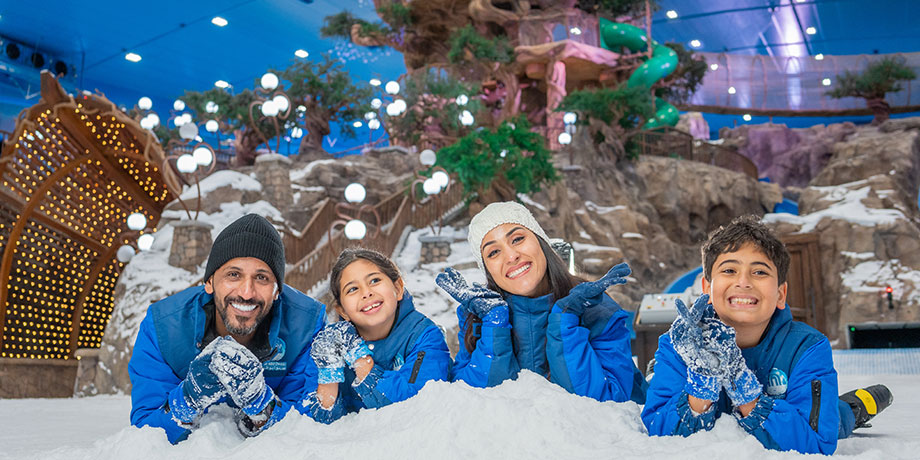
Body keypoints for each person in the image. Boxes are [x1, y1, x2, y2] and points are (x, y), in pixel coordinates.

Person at [641, 215, 892, 454]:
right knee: (664, 386)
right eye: (729, 270)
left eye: (760, 272)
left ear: (781, 294)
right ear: (707, 288)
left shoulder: (806, 347)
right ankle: (657, 374)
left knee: (836, 419)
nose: (743, 282)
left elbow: (816, 441)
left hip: (804, 411)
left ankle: (853, 407)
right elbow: (657, 429)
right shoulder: (679, 346)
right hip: (715, 398)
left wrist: (742, 385)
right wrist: (701, 382)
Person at [129, 214, 326, 443]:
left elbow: (309, 425)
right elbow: (145, 432)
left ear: (277, 291)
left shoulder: (305, 327)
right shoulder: (164, 327)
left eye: (262, 278)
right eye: (233, 275)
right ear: (209, 282)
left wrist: (263, 406)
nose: (246, 292)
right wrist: (186, 400)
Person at [439, 201, 646, 403]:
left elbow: (608, 404)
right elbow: (470, 404)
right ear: (488, 270)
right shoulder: (479, 319)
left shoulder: (595, 308)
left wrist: (565, 321)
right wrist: (494, 325)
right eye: (493, 252)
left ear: (541, 242)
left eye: (517, 239)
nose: (511, 256)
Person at [305, 247, 451, 422]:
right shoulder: (330, 345)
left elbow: (419, 403)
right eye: (352, 289)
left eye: (374, 280)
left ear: (398, 288)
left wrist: (360, 359)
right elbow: (316, 424)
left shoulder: (424, 336)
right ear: (342, 310)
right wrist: (328, 372)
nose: (366, 293)